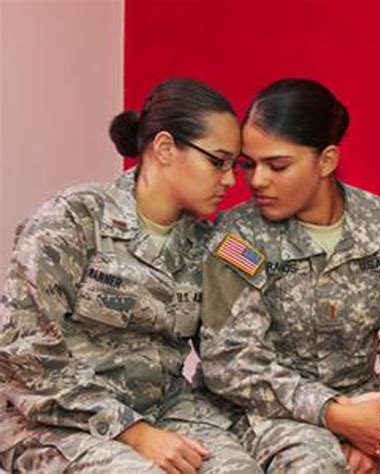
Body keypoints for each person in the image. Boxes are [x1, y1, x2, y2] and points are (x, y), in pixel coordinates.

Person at [200, 78, 380, 473]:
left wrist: (378, 430)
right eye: (249, 164)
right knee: (317, 466)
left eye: (277, 165)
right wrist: (337, 416)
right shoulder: (237, 238)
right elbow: (230, 361)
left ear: (326, 161)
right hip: (274, 413)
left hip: (370, 400)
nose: (257, 180)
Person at [0, 78, 262, 474]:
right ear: (164, 148)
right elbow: (22, 351)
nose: (229, 179)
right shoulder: (73, 219)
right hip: (53, 418)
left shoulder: (210, 246)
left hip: (165, 408)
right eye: (218, 161)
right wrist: (132, 431)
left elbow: (233, 351)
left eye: (235, 166)